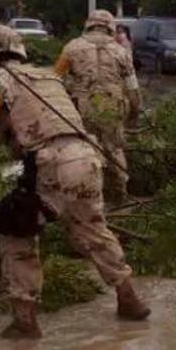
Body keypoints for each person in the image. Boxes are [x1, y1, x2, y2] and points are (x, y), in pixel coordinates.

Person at [0, 25, 149, 338]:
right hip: (87, 156)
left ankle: (25, 320)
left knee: (17, 230)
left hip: (50, 162)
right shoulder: (47, 76)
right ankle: (129, 298)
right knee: (93, 229)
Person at [54, 10, 142, 204]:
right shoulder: (121, 51)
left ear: (89, 24)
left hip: (81, 108)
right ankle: (119, 195)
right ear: (110, 27)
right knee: (114, 149)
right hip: (113, 108)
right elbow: (132, 88)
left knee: (84, 150)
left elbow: (55, 80)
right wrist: (135, 112)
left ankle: (88, 196)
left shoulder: (71, 48)